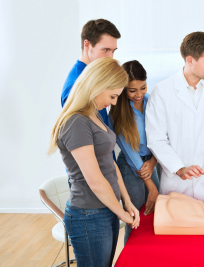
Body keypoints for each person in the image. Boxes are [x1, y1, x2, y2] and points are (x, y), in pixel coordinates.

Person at [48, 57, 140, 267]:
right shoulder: (76, 122)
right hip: (88, 214)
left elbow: (109, 162)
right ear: (97, 85)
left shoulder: (94, 116)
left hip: (106, 208)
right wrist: (121, 213)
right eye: (112, 96)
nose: (114, 102)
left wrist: (126, 201)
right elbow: (95, 180)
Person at [145, 31, 204, 205]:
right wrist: (179, 168)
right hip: (177, 185)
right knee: (179, 229)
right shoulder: (162, 91)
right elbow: (156, 138)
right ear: (190, 60)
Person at [109, 60, 160, 245]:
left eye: (143, 87)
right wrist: (152, 186)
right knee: (135, 220)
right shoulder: (118, 112)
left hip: (152, 161)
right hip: (130, 167)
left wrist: (153, 162)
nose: (139, 94)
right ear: (123, 89)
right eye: (132, 90)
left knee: (154, 215)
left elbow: (162, 137)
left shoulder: (151, 102)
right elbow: (131, 154)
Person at [61, 18, 120, 125]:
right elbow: (79, 134)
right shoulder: (76, 85)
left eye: (113, 51)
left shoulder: (95, 76)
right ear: (87, 45)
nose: (111, 57)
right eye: (105, 50)